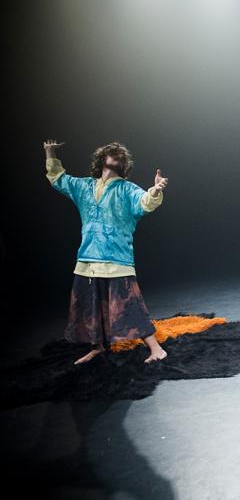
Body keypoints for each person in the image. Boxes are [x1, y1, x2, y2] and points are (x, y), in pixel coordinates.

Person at [44, 140, 169, 364]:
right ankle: (98, 347)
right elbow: (58, 179)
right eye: (113, 154)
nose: (118, 157)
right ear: (103, 159)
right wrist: (50, 152)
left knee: (130, 306)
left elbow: (144, 203)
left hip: (116, 259)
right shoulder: (84, 186)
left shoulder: (126, 189)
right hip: (88, 258)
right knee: (93, 307)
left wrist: (155, 190)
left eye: (121, 156)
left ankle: (157, 349)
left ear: (123, 165)